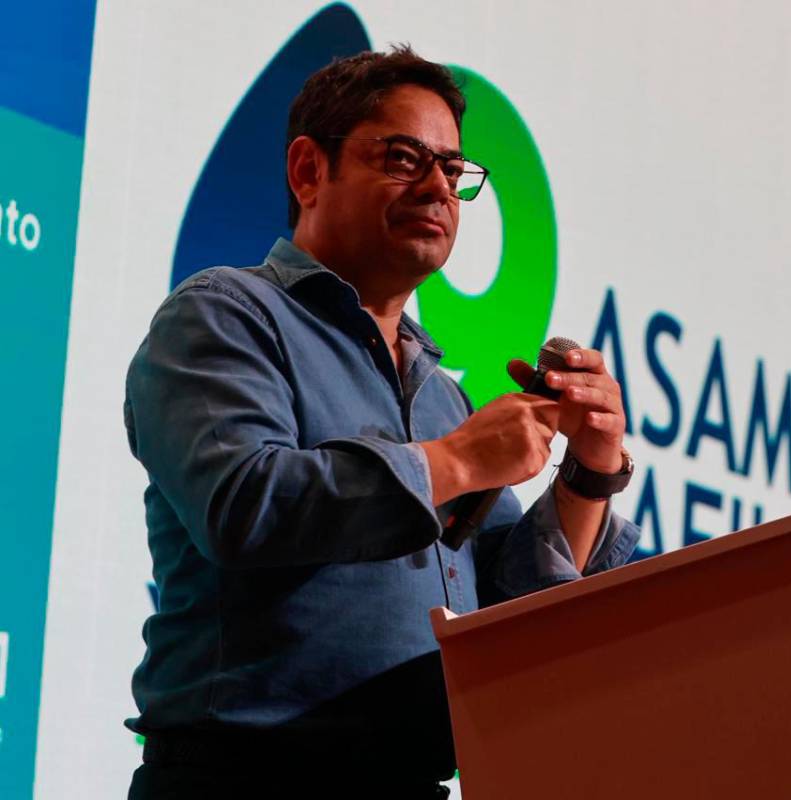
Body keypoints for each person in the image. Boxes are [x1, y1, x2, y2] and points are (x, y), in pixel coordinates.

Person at [125, 47, 639, 799]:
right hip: (242, 776)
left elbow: (507, 605)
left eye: (454, 171)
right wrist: (458, 462)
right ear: (309, 171)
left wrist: (589, 470)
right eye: (404, 158)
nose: (438, 187)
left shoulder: (441, 398)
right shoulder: (225, 315)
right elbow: (241, 503)